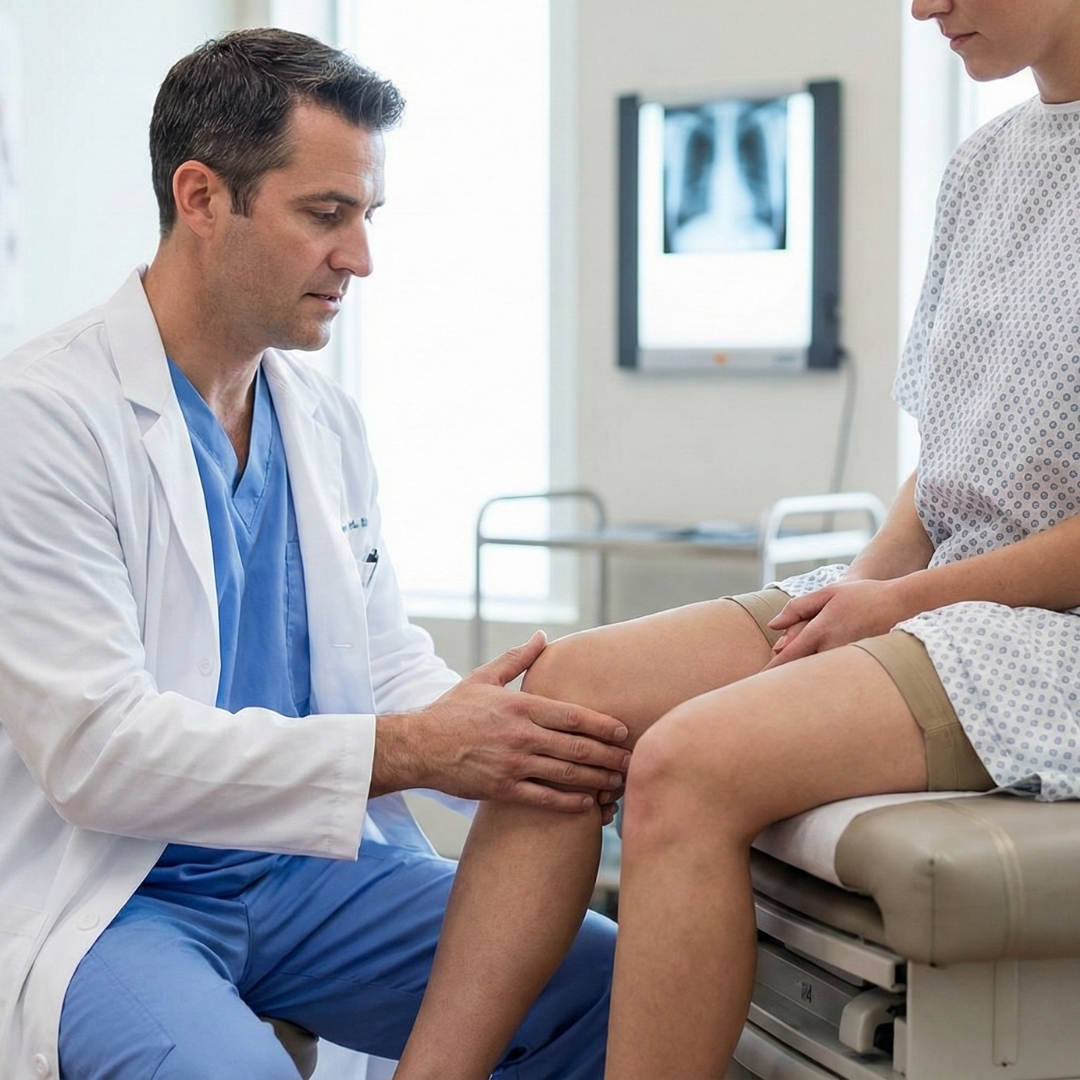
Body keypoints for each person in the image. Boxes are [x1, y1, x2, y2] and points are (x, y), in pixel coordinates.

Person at [392, 1, 1080, 1077]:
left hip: (1051, 632)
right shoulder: (985, 166)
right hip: (933, 590)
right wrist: (856, 596)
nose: (922, 7)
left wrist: (893, 613)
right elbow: (949, 455)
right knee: (563, 699)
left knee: (683, 765)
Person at [0, 28, 632, 1080]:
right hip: (117, 894)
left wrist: (534, 742)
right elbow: (98, 753)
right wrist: (425, 752)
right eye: (325, 216)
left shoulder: (322, 422)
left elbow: (382, 665)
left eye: (366, 217)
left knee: (614, 984)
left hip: (303, 872)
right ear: (201, 198)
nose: (361, 257)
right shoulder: (42, 420)